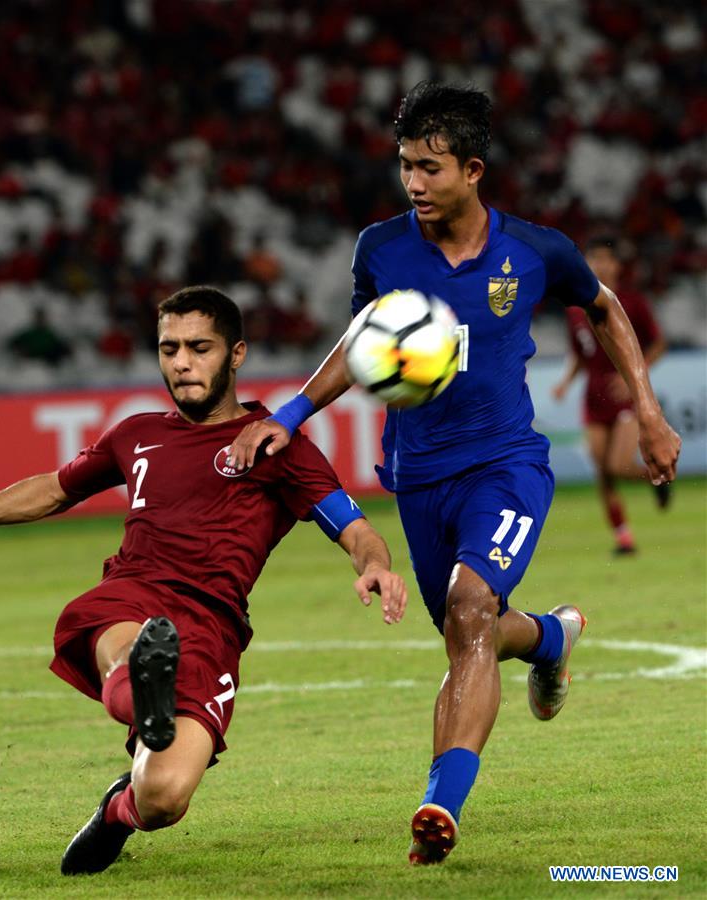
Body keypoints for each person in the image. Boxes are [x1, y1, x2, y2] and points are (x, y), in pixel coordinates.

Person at [226, 82, 681, 865]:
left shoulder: (536, 251)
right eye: (404, 165)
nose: (413, 183)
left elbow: (604, 310)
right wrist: (292, 414)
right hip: (419, 477)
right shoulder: (382, 249)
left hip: (506, 465)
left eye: (429, 168)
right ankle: (549, 638)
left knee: (471, 609)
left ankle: (442, 803)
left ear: (472, 169)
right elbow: (364, 340)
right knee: (467, 631)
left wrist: (647, 410)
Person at [0, 286, 407, 876]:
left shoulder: (276, 446)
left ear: (236, 354)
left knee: (164, 799)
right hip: (131, 593)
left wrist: (375, 566)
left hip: (212, 624)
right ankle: (144, 686)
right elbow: (56, 488)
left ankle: (120, 808)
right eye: (169, 349)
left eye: (198, 347)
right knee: (133, 646)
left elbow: (354, 528)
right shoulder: (136, 433)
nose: (181, 362)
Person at [552, 237, 669, 554]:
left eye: (606, 259)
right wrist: (565, 382)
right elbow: (580, 354)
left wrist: (634, 372)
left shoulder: (631, 302)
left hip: (626, 395)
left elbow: (658, 344)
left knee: (618, 464)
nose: (600, 265)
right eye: (594, 259)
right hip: (593, 396)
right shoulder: (575, 309)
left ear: (617, 265)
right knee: (602, 470)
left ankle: (655, 479)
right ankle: (623, 538)